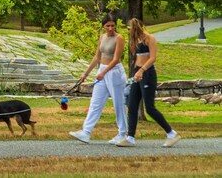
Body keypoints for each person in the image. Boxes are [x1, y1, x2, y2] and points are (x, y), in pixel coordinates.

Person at [115, 18, 181, 147]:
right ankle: (130, 137)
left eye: (130, 28)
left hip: (148, 74)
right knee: (132, 105)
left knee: (150, 108)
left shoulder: (150, 38)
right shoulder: (135, 41)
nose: (129, 31)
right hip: (138, 74)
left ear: (137, 27)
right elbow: (137, 59)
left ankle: (171, 133)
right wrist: (135, 74)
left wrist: (142, 71)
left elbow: (152, 58)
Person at [69, 14, 128, 144]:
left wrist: (104, 72)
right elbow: (97, 57)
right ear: (103, 26)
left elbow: (116, 59)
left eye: (113, 25)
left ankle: (122, 134)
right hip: (103, 69)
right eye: (108, 26)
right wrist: (85, 74)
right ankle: (86, 132)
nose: (110, 28)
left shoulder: (119, 38)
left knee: (118, 103)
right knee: (95, 102)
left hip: (115, 72)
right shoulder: (102, 37)